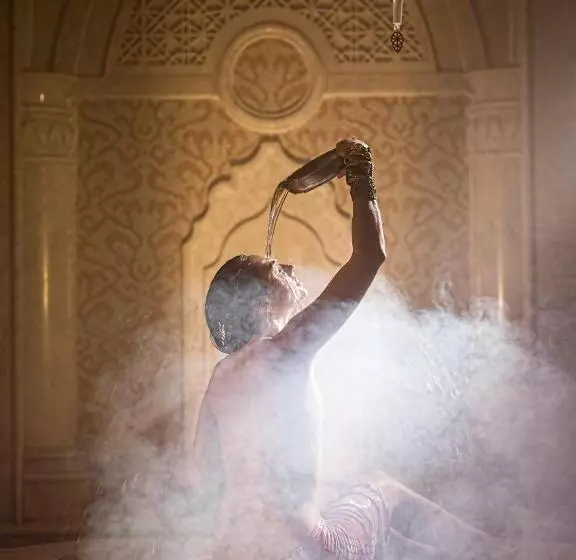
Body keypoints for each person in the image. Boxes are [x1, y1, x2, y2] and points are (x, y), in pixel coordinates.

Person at [192, 139, 561, 559]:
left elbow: (203, 478)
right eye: (276, 268)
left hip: (230, 550)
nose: (290, 268)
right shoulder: (285, 349)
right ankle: (506, 554)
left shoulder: (221, 377)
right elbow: (369, 256)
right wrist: (360, 176)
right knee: (385, 490)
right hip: (303, 551)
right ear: (258, 302)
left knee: (380, 527)